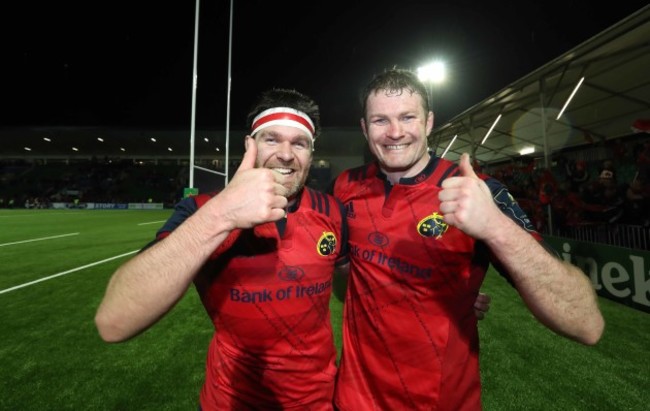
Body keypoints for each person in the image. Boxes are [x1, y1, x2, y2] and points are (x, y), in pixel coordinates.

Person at [330, 68, 605, 411]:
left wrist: (494, 226)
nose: (395, 132)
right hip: (352, 400)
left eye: (407, 117)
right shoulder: (346, 186)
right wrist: (437, 296)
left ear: (429, 122)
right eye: (380, 120)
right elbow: (348, 284)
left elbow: (587, 325)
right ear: (364, 128)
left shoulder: (478, 191)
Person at [95, 88, 349, 410]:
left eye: (299, 143)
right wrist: (222, 214)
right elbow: (114, 321)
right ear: (249, 146)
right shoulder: (201, 209)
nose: (286, 154)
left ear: (311, 154)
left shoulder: (332, 211)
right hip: (228, 403)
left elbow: (345, 285)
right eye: (271, 139)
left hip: (319, 402)